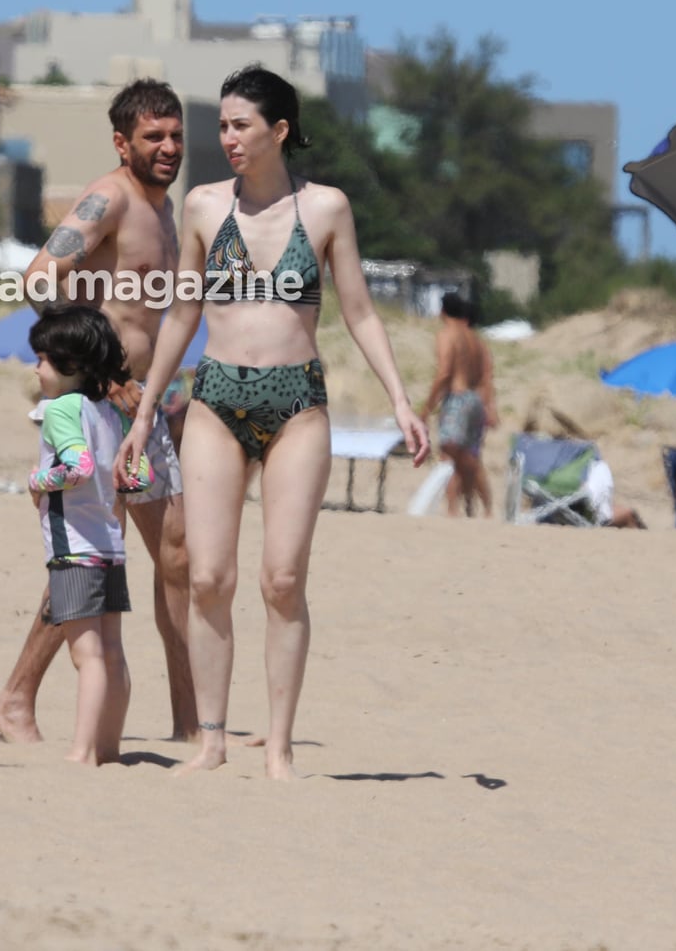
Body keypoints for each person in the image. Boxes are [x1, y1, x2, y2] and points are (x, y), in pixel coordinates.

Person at [118, 64, 430, 779]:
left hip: (297, 404)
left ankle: (281, 746)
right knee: (208, 577)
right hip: (215, 399)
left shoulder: (325, 209)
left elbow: (357, 311)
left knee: (283, 577)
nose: (227, 137)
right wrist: (142, 414)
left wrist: (401, 400)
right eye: (223, 125)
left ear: (279, 130)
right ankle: (213, 740)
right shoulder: (200, 206)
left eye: (241, 125)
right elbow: (184, 313)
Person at [0, 78, 198, 745]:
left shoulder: (167, 209)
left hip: (144, 410)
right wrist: (101, 370)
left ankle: (190, 718)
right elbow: (37, 282)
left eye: (175, 134)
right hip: (97, 408)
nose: (168, 147)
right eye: (153, 137)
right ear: (121, 142)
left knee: (177, 554)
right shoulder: (108, 196)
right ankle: (16, 697)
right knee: (91, 559)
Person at [26, 306, 154, 765]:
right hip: (110, 546)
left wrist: (37, 482)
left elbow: (77, 469)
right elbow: (136, 476)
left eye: (41, 359)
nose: (36, 368)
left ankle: (81, 753)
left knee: (88, 658)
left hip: (74, 549)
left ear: (70, 365)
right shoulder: (107, 413)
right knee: (113, 652)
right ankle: (108, 748)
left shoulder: (61, 410)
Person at [422, 292, 498, 518]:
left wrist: (427, 407)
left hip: (457, 399)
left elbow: (444, 372)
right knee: (471, 458)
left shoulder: (447, 335)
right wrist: (490, 408)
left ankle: (452, 510)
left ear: (442, 311)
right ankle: (485, 509)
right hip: (476, 401)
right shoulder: (477, 340)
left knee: (450, 456)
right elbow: (487, 377)